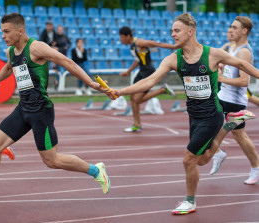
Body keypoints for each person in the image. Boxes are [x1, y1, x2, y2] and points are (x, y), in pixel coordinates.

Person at [109, 13, 259, 215]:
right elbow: (149, 81)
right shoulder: (173, 59)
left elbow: (243, 66)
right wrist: (119, 92)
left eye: (176, 30)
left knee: (188, 159)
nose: (172, 34)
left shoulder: (212, 54)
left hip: (211, 114)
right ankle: (229, 125)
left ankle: (190, 201)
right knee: (203, 159)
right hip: (194, 116)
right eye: (172, 30)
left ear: (190, 32)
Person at [0, 13, 114, 206]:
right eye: (2, 32)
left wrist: (90, 82)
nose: (3, 36)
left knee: (52, 161)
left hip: (41, 111)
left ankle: (96, 170)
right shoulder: (11, 51)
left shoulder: (36, 47)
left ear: (20, 30)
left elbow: (67, 62)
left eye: (6, 32)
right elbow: (9, 67)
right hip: (22, 109)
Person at [209, 16, 259, 184]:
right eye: (230, 26)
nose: (230, 30)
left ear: (244, 31)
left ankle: (256, 167)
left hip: (235, 101)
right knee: (204, 121)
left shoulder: (244, 52)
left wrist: (221, 78)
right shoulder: (230, 46)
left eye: (234, 27)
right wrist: (222, 67)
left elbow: (244, 81)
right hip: (222, 96)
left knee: (240, 136)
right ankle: (218, 152)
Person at [119, 26, 176, 132]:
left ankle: (162, 90)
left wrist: (174, 46)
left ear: (128, 36)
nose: (120, 40)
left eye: (121, 37)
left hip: (148, 71)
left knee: (137, 99)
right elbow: (137, 60)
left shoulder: (139, 42)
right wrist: (128, 72)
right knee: (132, 96)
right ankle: (137, 124)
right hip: (142, 71)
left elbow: (157, 44)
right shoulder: (132, 46)